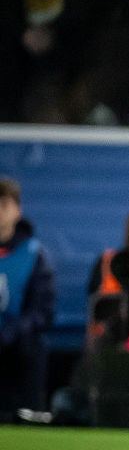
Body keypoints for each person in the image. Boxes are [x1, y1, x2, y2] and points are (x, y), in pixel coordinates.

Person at [0, 177, 55, 423]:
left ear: (17, 211)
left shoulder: (34, 255)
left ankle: (31, 412)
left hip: (16, 342)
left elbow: (42, 311)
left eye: (3, 205)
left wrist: (13, 331)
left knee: (34, 345)